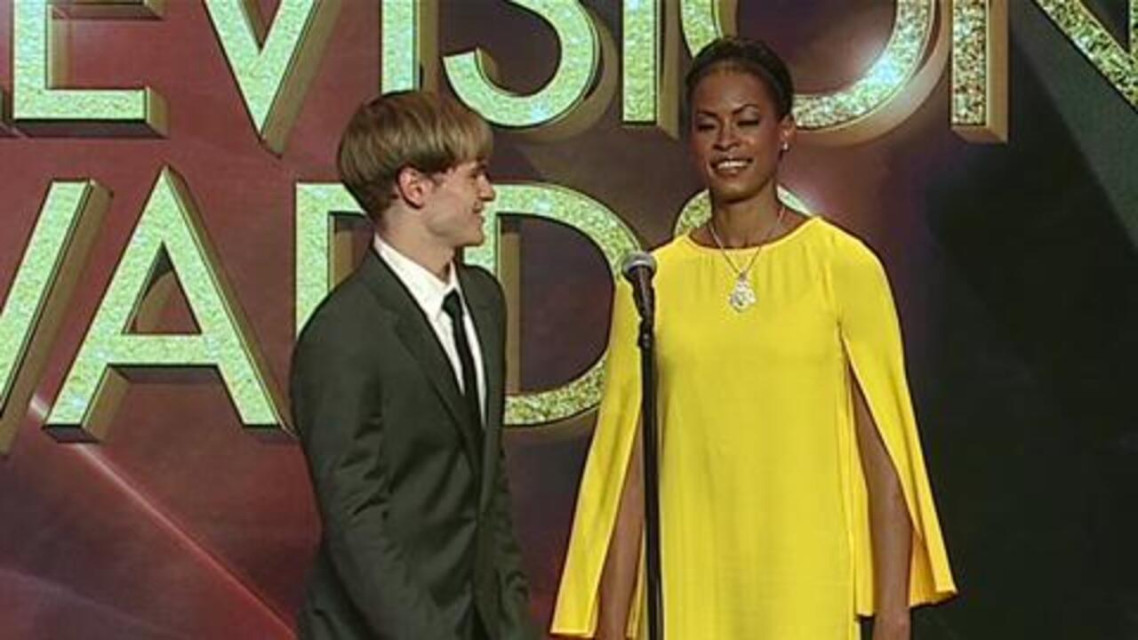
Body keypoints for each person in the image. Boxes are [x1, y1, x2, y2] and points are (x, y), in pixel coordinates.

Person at [551, 38, 956, 640]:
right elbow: (628, 473)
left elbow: (884, 457)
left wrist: (893, 616)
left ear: (784, 131)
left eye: (747, 122)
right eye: (707, 125)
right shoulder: (652, 280)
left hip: (807, 583)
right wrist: (611, 626)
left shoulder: (842, 266)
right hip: (688, 584)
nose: (727, 141)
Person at [290, 91, 538, 640]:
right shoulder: (343, 333)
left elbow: (489, 488)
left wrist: (514, 623)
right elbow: (357, 524)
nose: (488, 192)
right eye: (474, 175)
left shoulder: (484, 301)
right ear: (415, 187)